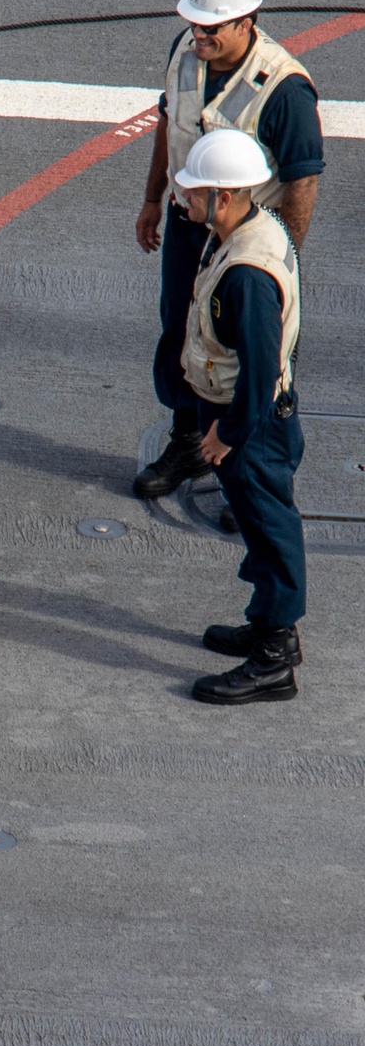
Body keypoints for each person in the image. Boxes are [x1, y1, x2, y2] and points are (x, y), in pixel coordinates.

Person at [133, 0, 323, 501]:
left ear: (248, 20)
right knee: (184, 332)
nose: (198, 35)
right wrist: (152, 199)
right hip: (188, 223)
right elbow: (171, 125)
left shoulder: (285, 90)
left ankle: (253, 472)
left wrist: (274, 261)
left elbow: (302, 184)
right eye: (193, 23)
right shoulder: (184, 54)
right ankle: (189, 440)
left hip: (244, 240)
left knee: (254, 356)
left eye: (211, 27)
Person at [174, 130, 304, 705]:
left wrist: (228, 433)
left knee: (270, 531)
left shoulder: (248, 273)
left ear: (222, 197)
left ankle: (273, 659)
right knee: (258, 524)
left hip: (247, 422)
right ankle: (271, 629)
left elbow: (259, 366)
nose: (184, 199)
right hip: (247, 417)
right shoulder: (251, 227)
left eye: (193, 191)